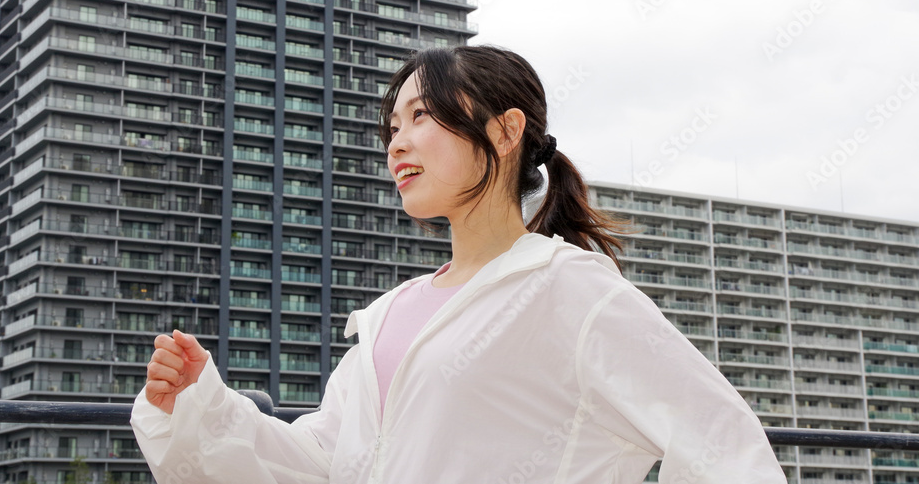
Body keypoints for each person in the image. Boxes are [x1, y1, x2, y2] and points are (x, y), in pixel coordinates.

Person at [131, 45, 787, 483]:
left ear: (505, 132)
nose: (398, 142)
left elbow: (724, 444)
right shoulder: (390, 313)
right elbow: (324, 460)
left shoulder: (569, 288)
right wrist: (200, 405)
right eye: (392, 125)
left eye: (421, 115)